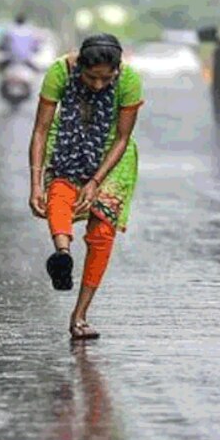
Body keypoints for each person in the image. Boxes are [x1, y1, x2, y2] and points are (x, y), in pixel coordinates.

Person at [27, 34, 143, 340]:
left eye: (107, 79)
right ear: (79, 66)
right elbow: (40, 130)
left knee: (102, 233)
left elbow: (121, 138)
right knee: (59, 195)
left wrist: (95, 181)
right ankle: (62, 255)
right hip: (66, 144)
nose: (98, 85)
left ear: (117, 70)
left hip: (111, 159)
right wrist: (35, 184)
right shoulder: (59, 72)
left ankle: (79, 316)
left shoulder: (130, 80)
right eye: (91, 77)